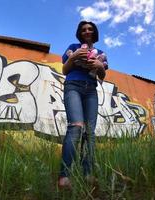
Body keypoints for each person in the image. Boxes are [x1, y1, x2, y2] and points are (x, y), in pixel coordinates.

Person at [58, 21, 108, 189]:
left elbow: (102, 76)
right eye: (84, 29)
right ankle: (64, 176)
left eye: (90, 29)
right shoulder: (73, 47)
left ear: (94, 33)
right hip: (73, 87)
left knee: (89, 132)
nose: (87, 31)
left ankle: (87, 174)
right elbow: (65, 70)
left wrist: (100, 65)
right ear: (80, 33)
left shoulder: (101, 53)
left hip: (91, 91)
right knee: (76, 126)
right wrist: (74, 57)